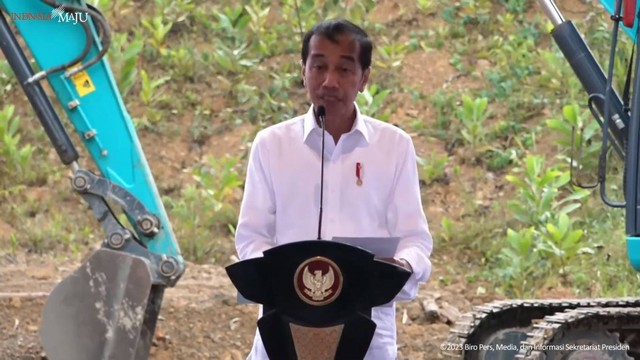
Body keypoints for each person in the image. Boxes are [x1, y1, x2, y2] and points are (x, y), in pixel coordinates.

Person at [234, 18, 433, 360]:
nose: (329, 81)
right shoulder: (271, 145)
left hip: (368, 338)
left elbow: (415, 240)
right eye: (319, 66)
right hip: (283, 332)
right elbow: (251, 238)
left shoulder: (394, 147)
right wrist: (281, 274)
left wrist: (399, 265)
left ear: (365, 78)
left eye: (344, 69)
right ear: (303, 70)